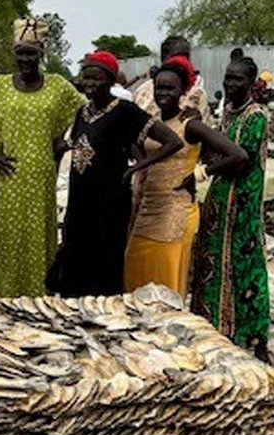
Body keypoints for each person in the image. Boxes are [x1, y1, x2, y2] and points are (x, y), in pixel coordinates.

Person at [47, 51, 183, 297]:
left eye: (96, 78)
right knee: (75, 253)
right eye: (85, 78)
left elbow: (172, 141)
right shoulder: (82, 113)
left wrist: (138, 167)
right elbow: (79, 142)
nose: (89, 84)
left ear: (111, 81)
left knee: (104, 258)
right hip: (79, 201)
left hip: (109, 201)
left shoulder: (125, 111)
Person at [0, 17, 86, 298]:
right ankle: (7, 295)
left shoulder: (58, 87)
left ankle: (40, 295)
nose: (25, 59)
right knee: (10, 237)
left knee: (39, 235)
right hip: (9, 177)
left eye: (31, 53)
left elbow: (87, 113)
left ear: (42, 54)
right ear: (13, 53)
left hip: (42, 176)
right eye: (20, 52)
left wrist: (66, 144)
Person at [124, 56, 247, 296]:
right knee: (134, 276)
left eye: (170, 87)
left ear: (183, 90)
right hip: (147, 210)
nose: (163, 93)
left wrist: (199, 174)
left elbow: (238, 155)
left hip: (175, 214)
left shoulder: (190, 124)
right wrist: (139, 162)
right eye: (159, 87)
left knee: (165, 286)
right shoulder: (153, 123)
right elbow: (134, 143)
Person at [190, 56, 271, 363]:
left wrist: (203, 172)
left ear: (251, 84)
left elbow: (240, 160)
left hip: (243, 201)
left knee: (245, 265)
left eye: (238, 79)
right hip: (222, 197)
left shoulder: (255, 116)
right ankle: (215, 325)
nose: (230, 83)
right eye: (228, 77)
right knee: (212, 258)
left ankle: (254, 336)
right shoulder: (227, 112)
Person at [134, 36, 205, 116]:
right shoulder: (141, 92)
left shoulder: (198, 93)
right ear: (163, 58)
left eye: (186, 56)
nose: (182, 61)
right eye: (177, 56)